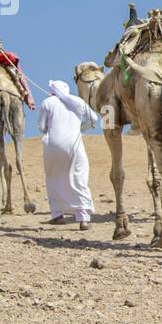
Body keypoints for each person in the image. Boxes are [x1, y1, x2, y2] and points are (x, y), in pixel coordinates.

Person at [38, 80, 98, 230]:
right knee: (79, 179)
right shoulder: (78, 101)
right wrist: (81, 129)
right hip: (75, 146)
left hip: (53, 147)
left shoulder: (47, 102)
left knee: (53, 178)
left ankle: (57, 215)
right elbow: (94, 119)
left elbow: (42, 127)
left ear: (52, 90)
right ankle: (83, 218)